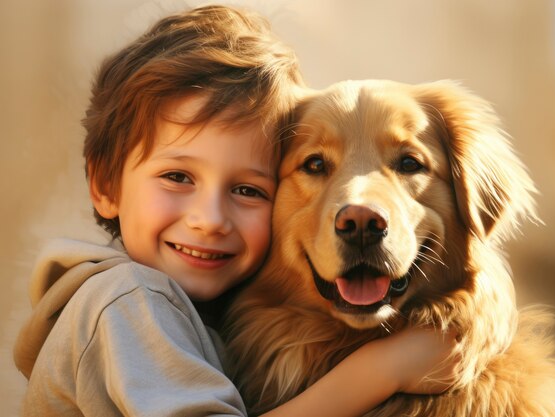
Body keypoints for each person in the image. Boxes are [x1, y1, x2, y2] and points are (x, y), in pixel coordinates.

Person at [13, 5, 460, 416]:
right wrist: (380, 372)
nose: (209, 219)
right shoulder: (131, 301)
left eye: (247, 189)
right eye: (178, 177)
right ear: (105, 185)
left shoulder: (195, 311)